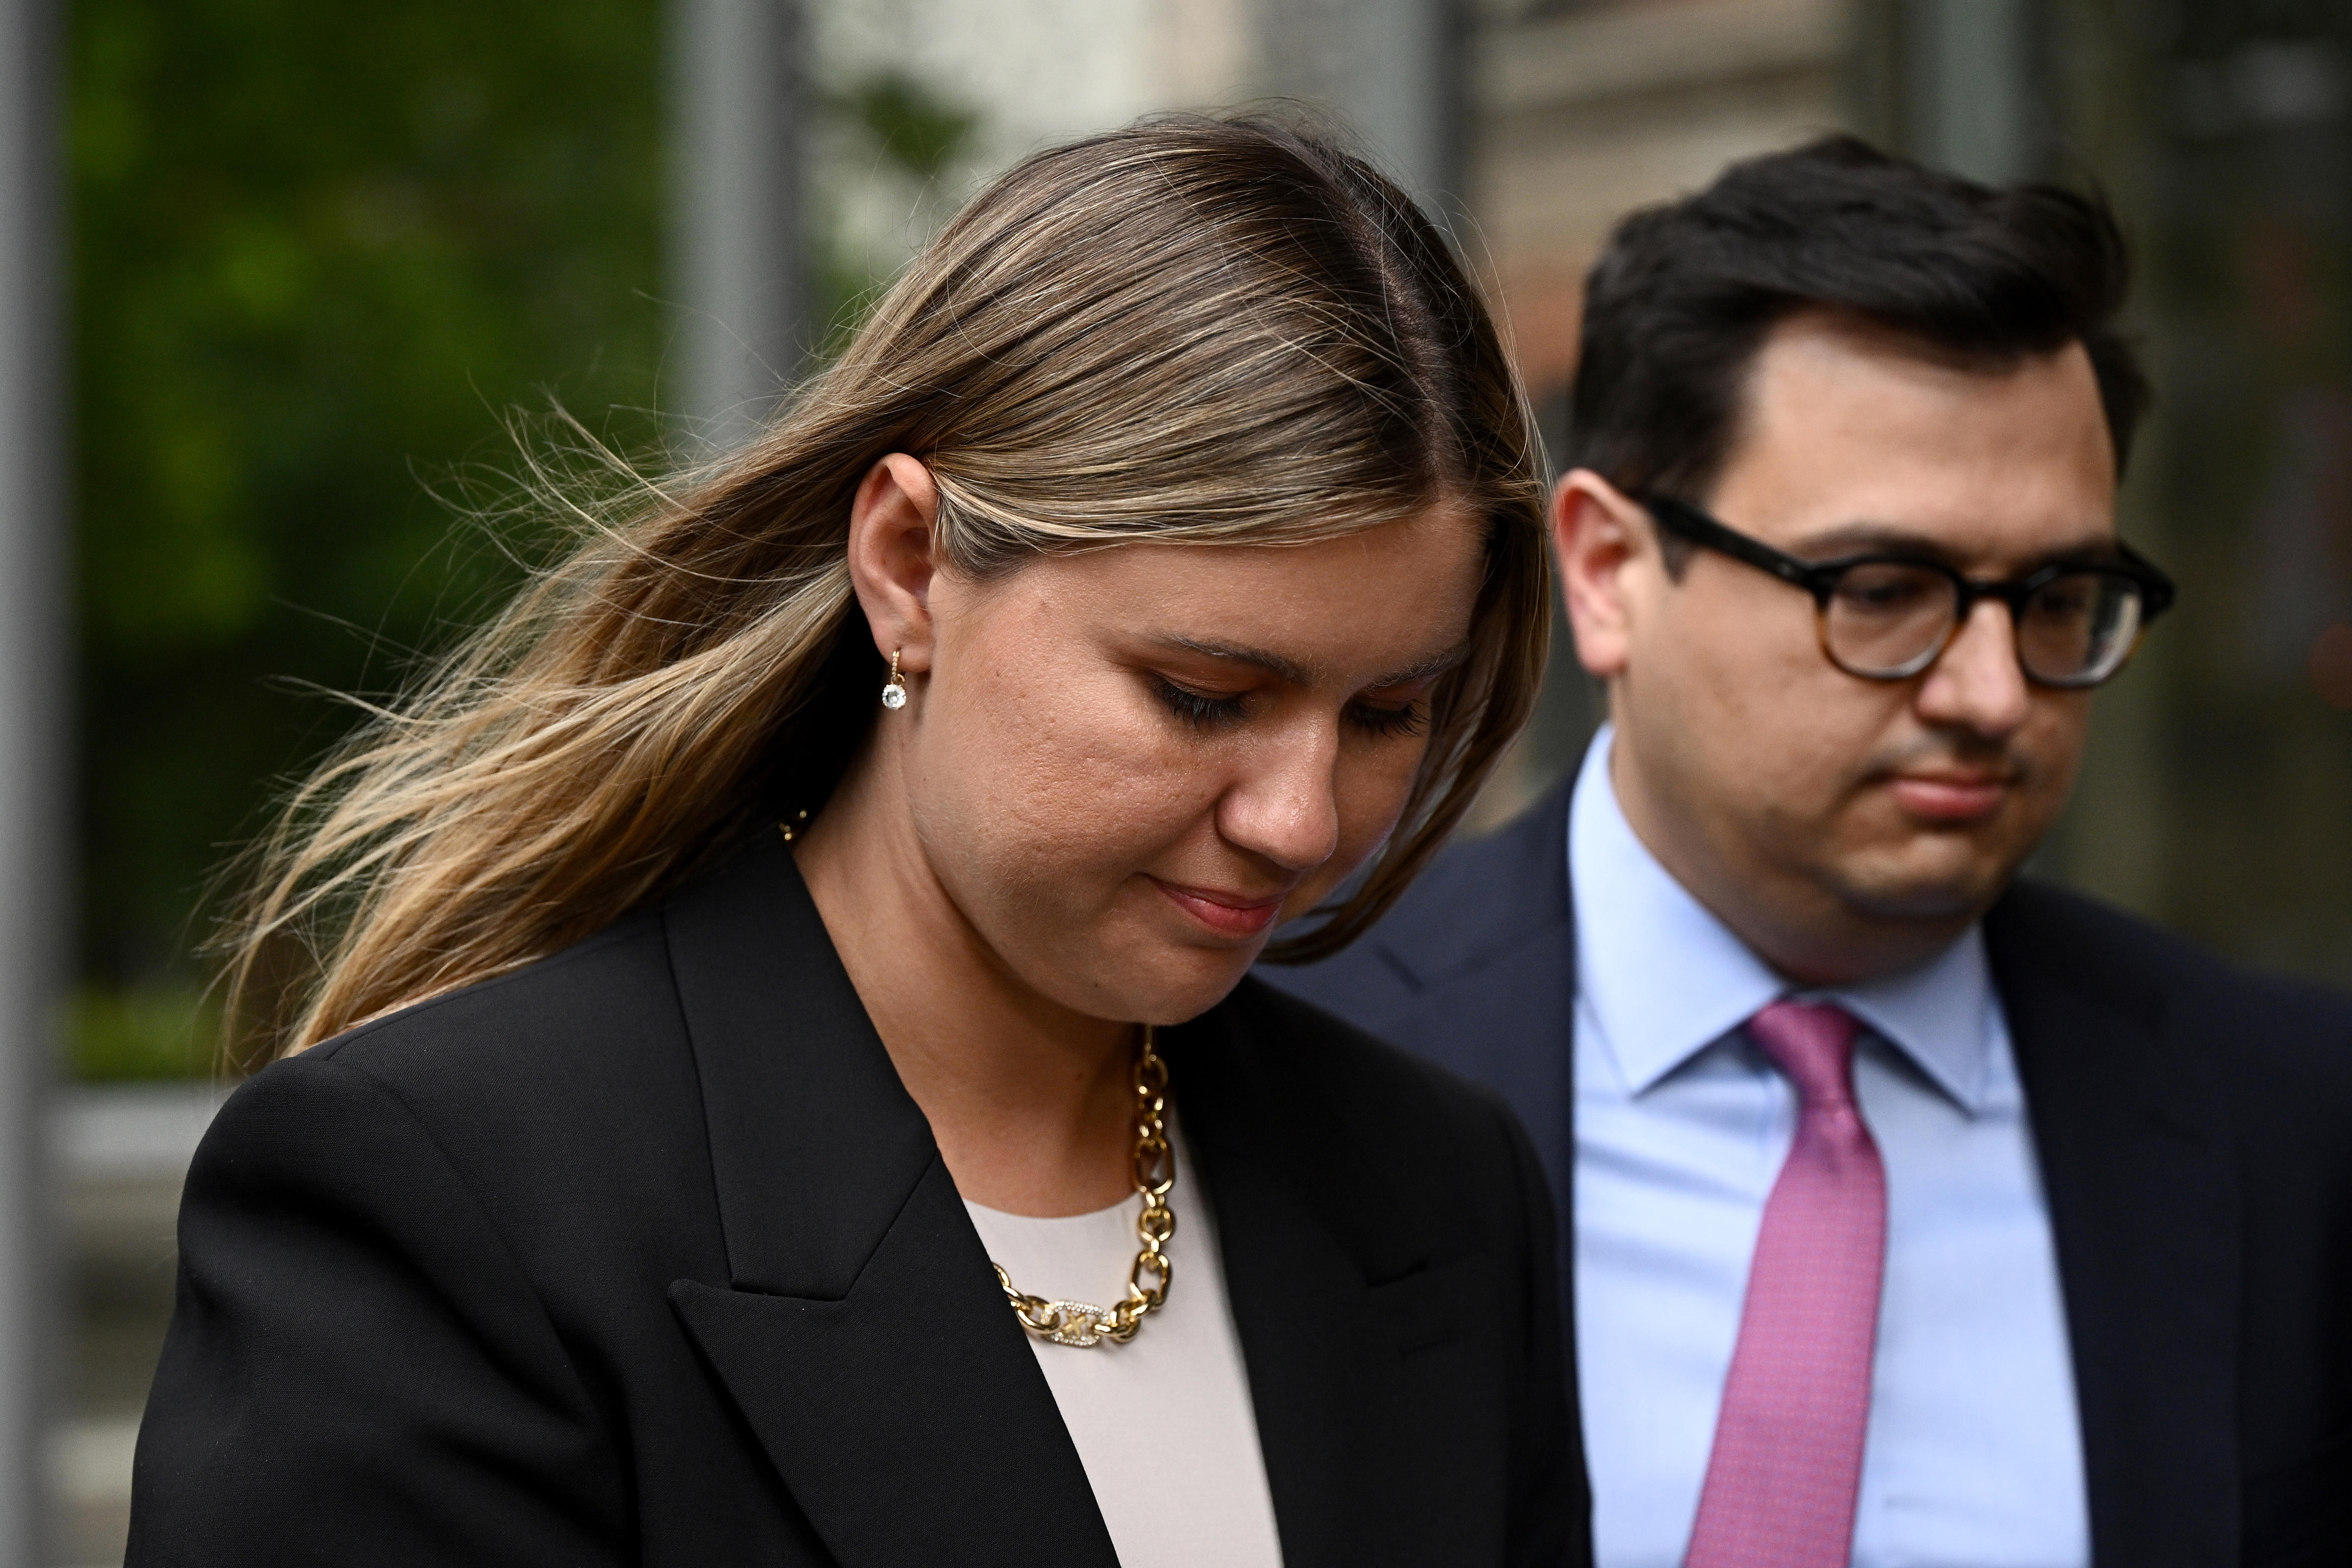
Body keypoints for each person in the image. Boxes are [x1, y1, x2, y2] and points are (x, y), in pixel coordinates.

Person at [126, 116, 1576, 1567]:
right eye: (1201, 696)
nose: (1300, 820)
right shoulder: (454, 1197)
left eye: (1388, 713)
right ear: (907, 565)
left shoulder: (1436, 1185)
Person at [1267, 135, 2352, 1567]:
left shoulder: (2292, 1124)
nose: (1992, 694)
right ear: (1607, 571)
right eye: (1883, 590)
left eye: (2056, 598)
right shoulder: (1271, 1065)